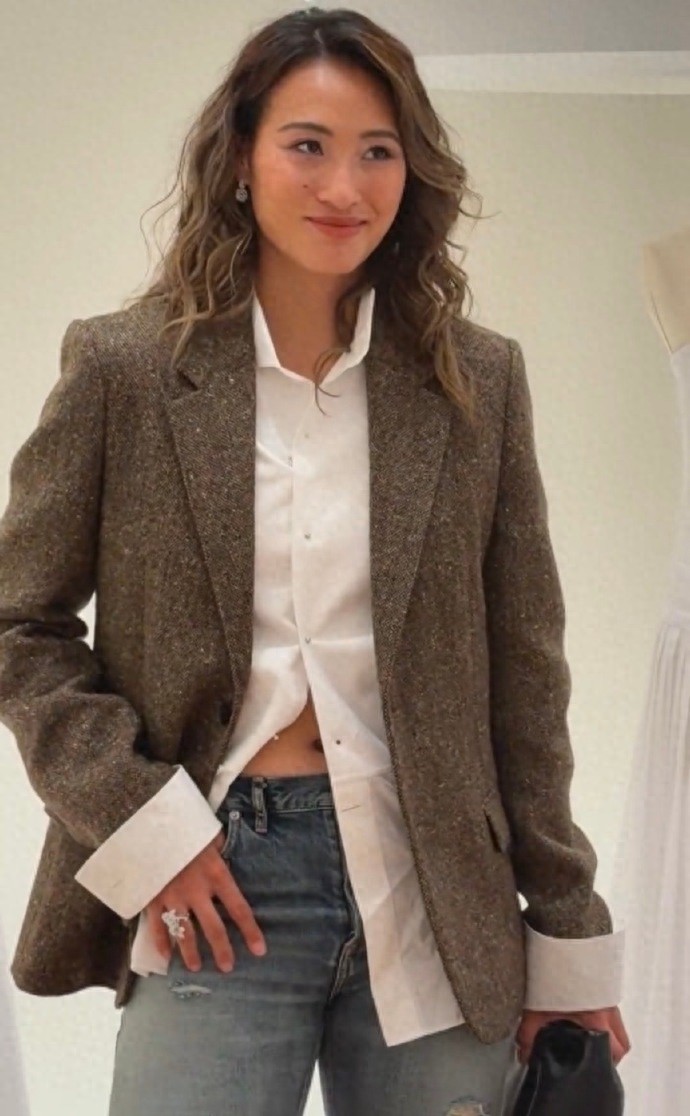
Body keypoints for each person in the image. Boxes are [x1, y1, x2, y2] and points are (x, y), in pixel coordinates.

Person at [0, 7, 629, 1115]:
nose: (345, 185)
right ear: (242, 159)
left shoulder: (476, 384)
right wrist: (145, 825)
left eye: (378, 151)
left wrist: (568, 932)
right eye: (308, 145)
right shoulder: (126, 368)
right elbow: (19, 623)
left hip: (437, 887)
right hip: (216, 880)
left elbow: (526, 680)